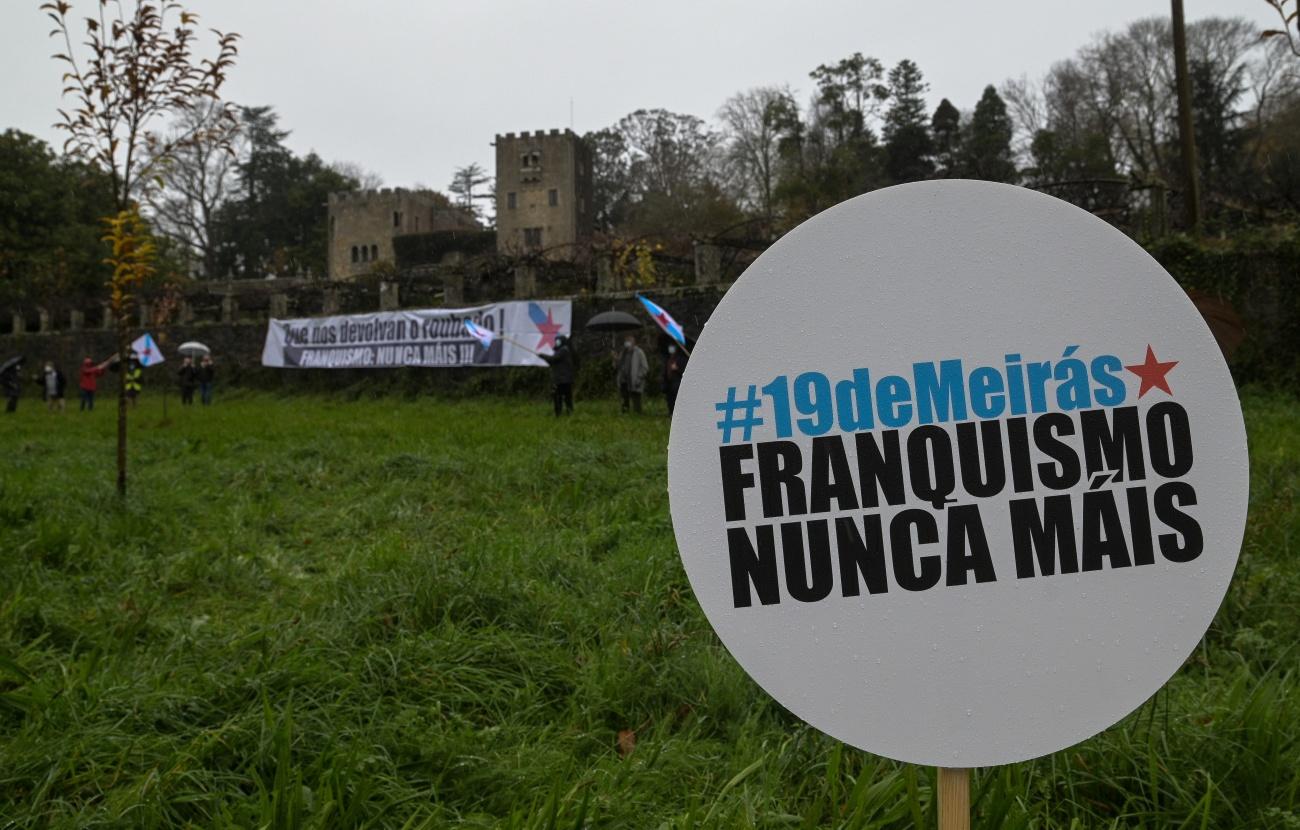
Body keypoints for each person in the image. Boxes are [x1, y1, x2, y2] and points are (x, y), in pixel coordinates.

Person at [539, 334, 576, 416]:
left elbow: (553, 359)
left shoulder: (563, 350)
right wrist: (543, 357)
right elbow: (552, 362)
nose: (557, 342)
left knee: (560, 397)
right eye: (556, 340)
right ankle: (565, 413)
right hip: (563, 379)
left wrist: (543, 356)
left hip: (563, 379)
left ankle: (561, 414)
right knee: (564, 397)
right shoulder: (560, 351)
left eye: (558, 340)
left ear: (562, 341)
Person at [616, 335, 648, 414]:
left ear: (634, 342)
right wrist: (615, 359)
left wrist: (639, 377)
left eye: (629, 341)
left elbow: (645, 367)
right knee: (624, 398)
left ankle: (638, 415)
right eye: (626, 341)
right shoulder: (623, 353)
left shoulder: (639, 352)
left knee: (636, 399)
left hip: (635, 380)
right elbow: (618, 366)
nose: (627, 343)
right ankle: (625, 414)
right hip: (624, 379)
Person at [663, 343, 687, 415]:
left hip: (677, 384)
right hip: (669, 384)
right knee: (670, 400)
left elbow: (684, 372)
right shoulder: (668, 359)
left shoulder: (681, 359)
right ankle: (671, 413)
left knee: (677, 400)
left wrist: (677, 369)